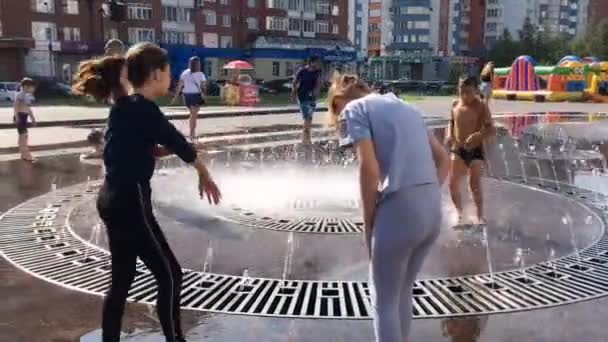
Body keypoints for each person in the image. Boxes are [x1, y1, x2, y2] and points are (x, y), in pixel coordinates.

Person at [72, 43, 221, 342]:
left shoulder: (125, 107)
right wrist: (203, 170)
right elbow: (174, 139)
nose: (171, 77)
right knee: (169, 275)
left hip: (113, 199)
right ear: (156, 74)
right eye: (168, 71)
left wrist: (184, 150)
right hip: (131, 201)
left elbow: (144, 148)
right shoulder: (143, 108)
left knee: (122, 280)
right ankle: (175, 339)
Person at [327, 74, 449, 342]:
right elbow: (443, 160)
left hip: (400, 211)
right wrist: (423, 191)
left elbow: (369, 169)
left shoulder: (355, 109)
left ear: (338, 101)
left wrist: (368, 224)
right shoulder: (408, 108)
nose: (339, 122)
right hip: (431, 210)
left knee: (382, 300)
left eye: (335, 113)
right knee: (402, 293)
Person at [446, 76, 496, 226]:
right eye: (462, 91)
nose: (465, 95)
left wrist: (478, 135)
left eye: (468, 91)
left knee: (473, 184)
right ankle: (460, 213)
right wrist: (449, 135)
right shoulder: (455, 104)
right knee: (453, 183)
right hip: (458, 150)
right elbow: (451, 122)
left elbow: (491, 129)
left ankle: (479, 216)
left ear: (476, 90)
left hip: (475, 151)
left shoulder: (481, 106)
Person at [172, 56, 207, 140]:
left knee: (193, 114)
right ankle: (192, 133)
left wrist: (175, 97)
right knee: (194, 115)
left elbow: (180, 85)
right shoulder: (200, 74)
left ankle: (191, 132)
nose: (200, 65)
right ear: (197, 64)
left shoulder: (185, 73)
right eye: (199, 63)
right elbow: (203, 86)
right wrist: (204, 94)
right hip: (196, 95)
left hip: (186, 95)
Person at [291, 56, 322, 145]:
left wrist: (316, 92)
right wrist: (293, 92)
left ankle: (307, 137)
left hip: (312, 98)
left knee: (310, 118)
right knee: (307, 117)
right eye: (315, 62)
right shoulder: (302, 71)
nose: (317, 64)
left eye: (318, 62)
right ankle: (305, 138)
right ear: (310, 62)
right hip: (302, 96)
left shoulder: (317, 72)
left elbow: (318, 83)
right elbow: (295, 82)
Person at [13, 78, 37, 162]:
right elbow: (15, 106)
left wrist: (33, 118)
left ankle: (23, 154)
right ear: (26, 86)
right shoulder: (20, 95)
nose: (33, 89)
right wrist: (17, 117)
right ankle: (27, 155)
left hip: (24, 117)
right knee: (23, 137)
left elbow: (28, 109)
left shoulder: (27, 96)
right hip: (20, 117)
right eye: (32, 87)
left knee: (23, 136)